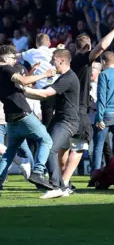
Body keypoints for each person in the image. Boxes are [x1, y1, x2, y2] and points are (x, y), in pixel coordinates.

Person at [23, 49, 81, 199]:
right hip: (61, 120)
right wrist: (22, 91)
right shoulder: (63, 78)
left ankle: (56, 186)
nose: (51, 64)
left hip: (67, 121)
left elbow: (45, 94)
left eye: (53, 61)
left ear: (61, 60)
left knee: (49, 149)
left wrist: (22, 89)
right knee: (47, 146)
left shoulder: (68, 78)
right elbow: (42, 95)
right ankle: (61, 187)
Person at [77, 21, 114, 188]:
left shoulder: (104, 75)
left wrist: (99, 117)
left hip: (105, 114)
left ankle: (95, 176)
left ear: (103, 61)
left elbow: (102, 97)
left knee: (97, 147)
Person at [0, 45, 55, 194]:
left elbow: (22, 86)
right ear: (5, 58)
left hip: (10, 118)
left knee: (9, 152)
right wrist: (46, 74)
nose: (14, 61)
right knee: (46, 140)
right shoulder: (6, 69)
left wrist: (32, 73)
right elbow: (23, 81)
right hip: (22, 114)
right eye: (12, 58)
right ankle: (38, 172)